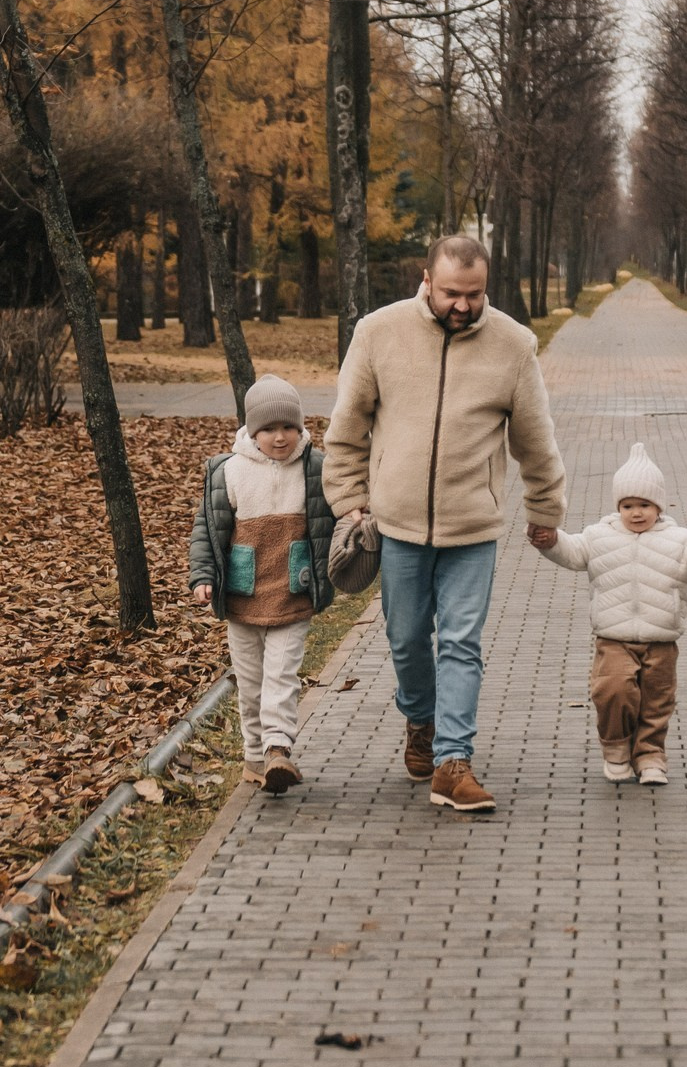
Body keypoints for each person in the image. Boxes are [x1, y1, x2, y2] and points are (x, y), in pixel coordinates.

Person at [323, 235, 566, 813]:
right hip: (396, 523)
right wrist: (349, 501)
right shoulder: (378, 333)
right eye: (452, 293)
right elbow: (347, 427)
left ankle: (453, 761)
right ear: (427, 280)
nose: (463, 305)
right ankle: (421, 721)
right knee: (406, 639)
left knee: (461, 642)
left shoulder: (514, 345)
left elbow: (536, 440)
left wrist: (545, 509)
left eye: (475, 294)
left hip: (473, 528)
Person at [531, 442, 687, 786]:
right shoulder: (599, 536)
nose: (636, 513)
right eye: (628, 505)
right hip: (613, 638)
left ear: (658, 505)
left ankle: (650, 755)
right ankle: (616, 750)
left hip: (661, 640)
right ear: (618, 506)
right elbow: (571, 552)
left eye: (644, 504)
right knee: (613, 690)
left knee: (656, 702)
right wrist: (549, 540)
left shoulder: (679, 539)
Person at [189, 376, 337, 793]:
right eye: (269, 429)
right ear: (252, 431)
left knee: (281, 675)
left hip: (293, 591)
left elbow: (339, 510)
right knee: (250, 681)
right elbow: (207, 528)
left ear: (300, 426)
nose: (280, 437)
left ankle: (277, 748)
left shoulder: (315, 467)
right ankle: (255, 757)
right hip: (242, 595)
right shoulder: (228, 471)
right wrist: (203, 576)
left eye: (288, 427)